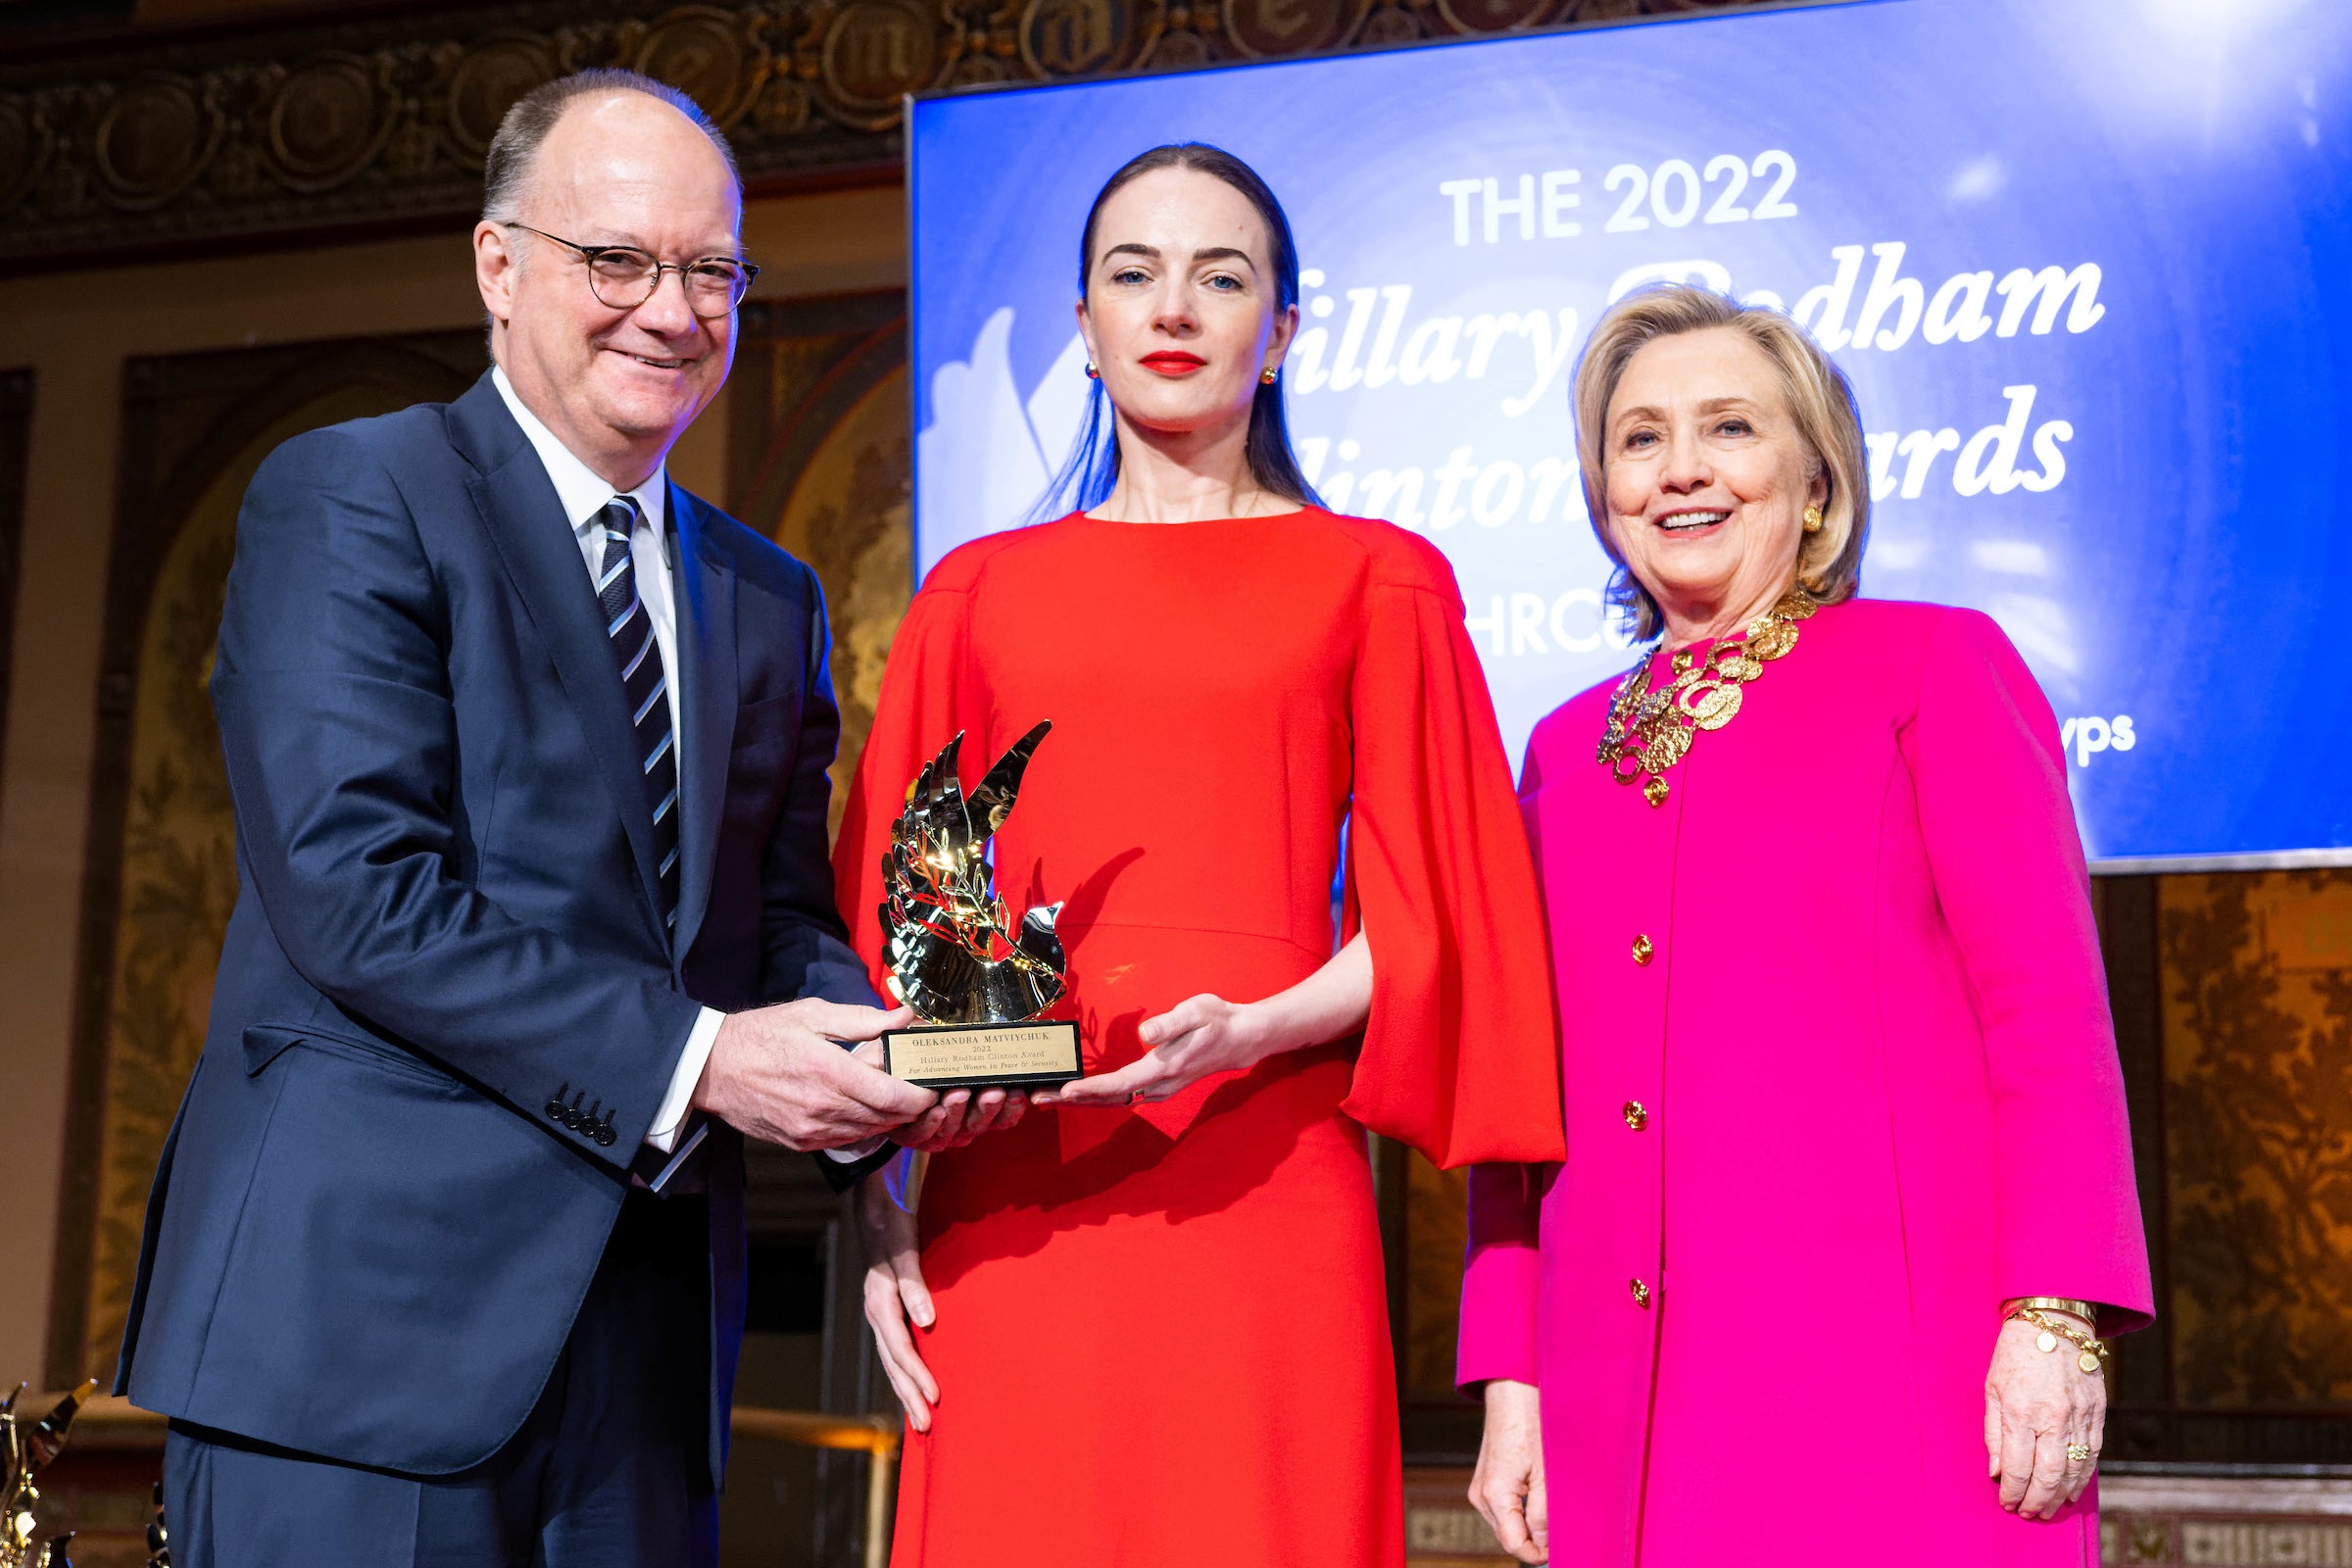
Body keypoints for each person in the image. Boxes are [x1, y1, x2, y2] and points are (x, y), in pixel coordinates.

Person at [114, 71, 953, 1566]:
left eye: (710, 270)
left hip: (641, 1372)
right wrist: (708, 1060)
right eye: (616, 260)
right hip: (356, 1352)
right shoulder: (356, 493)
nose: (670, 309)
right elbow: (358, 891)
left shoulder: (767, 595)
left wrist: (897, 1070)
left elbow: (771, 927)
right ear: (500, 267)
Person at [832, 142, 1566, 1567]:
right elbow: (894, 937)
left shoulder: (1378, 576)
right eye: (1133, 273)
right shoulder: (974, 595)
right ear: (1086, 329)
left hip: (1265, 1182)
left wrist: (1257, 1025)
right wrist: (879, 1205)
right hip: (1013, 1197)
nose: (1174, 306)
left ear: (1281, 329)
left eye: (1221, 276)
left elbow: (1446, 917)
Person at [1458, 283, 2154, 1566]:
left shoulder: (1932, 669)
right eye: (1639, 438)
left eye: (1729, 428)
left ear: (1816, 479)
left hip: (1900, 1378)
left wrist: (2053, 1314)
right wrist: (1515, 1377)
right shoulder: (1561, 750)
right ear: (1601, 489)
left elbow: (2048, 1018)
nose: (1680, 471)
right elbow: (1518, 1104)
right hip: (1623, 1399)